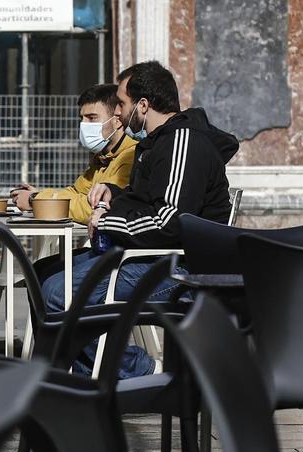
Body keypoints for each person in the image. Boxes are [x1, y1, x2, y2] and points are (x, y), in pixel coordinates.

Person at [41, 61, 239, 378]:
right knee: (43, 275)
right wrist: (115, 195)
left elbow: (168, 221)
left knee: (56, 293)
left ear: (143, 105)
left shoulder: (182, 143)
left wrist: (107, 222)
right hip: (149, 256)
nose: (117, 112)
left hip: (179, 270)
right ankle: (83, 375)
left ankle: (137, 370)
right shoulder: (157, 144)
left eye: (121, 103)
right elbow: (149, 200)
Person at [12, 84, 136, 225]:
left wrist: (35, 199)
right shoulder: (102, 158)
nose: (83, 125)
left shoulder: (130, 157)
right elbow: (76, 193)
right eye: (82, 118)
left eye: (92, 118)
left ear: (117, 121)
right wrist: (40, 197)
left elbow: (95, 209)